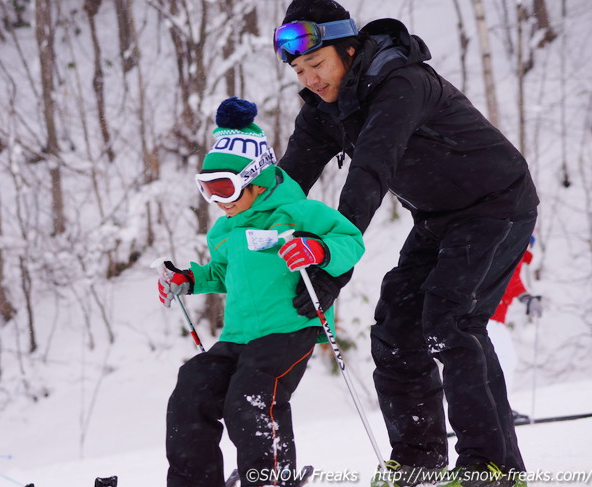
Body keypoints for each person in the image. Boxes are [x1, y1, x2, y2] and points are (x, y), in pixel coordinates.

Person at [272, 1, 539, 486]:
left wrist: (333, 264)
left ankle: (493, 467)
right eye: (298, 69)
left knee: (450, 320)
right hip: (437, 218)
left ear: (348, 49)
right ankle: (419, 459)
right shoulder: (323, 111)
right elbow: (285, 188)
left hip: (496, 204)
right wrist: (239, 237)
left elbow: (370, 173)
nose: (309, 78)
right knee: (395, 329)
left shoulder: (401, 83)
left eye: (316, 64)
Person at [158, 97, 365, 487]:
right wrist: (188, 279)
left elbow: (350, 240)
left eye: (224, 188)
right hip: (238, 335)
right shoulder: (224, 229)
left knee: (250, 398)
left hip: (288, 329)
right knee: (191, 390)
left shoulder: (298, 212)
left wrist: (318, 249)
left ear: (258, 180)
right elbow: (223, 273)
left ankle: (269, 478)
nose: (216, 201)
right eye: (206, 189)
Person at [488, 236, 542, 420]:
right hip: (489, 317)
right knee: (504, 360)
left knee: (502, 360)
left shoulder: (507, 251)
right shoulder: (511, 251)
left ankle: (498, 409)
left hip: (492, 317)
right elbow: (509, 280)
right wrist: (526, 297)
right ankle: (499, 410)